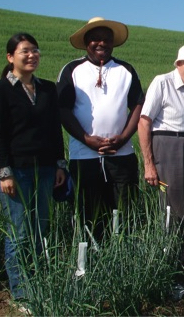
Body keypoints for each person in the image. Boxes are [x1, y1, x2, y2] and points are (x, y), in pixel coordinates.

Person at [0, 33, 66, 308]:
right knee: (19, 234)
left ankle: (38, 285)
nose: (32, 55)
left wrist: (60, 164)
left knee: (40, 231)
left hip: (45, 170)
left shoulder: (47, 89)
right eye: (25, 51)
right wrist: (4, 173)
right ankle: (21, 295)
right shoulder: (0, 90)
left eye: (35, 50)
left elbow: (55, 130)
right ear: (11, 57)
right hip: (17, 172)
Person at [57, 17, 144, 241]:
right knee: (90, 216)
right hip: (84, 156)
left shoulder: (126, 70)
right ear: (86, 42)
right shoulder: (72, 70)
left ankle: (126, 262)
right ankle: (91, 266)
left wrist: (124, 138)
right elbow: (63, 110)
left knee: (126, 212)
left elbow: (137, 105)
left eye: (106, 39)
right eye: (95, 39)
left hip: (122, 155)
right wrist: (87, 139)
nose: (101, 44)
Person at [138, 43, 184, 300]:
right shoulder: (162, 83)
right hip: (168, 149)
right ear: (178, 64)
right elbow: (144, 122)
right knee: (174, 214)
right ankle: (172, 279)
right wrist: (149, 163)